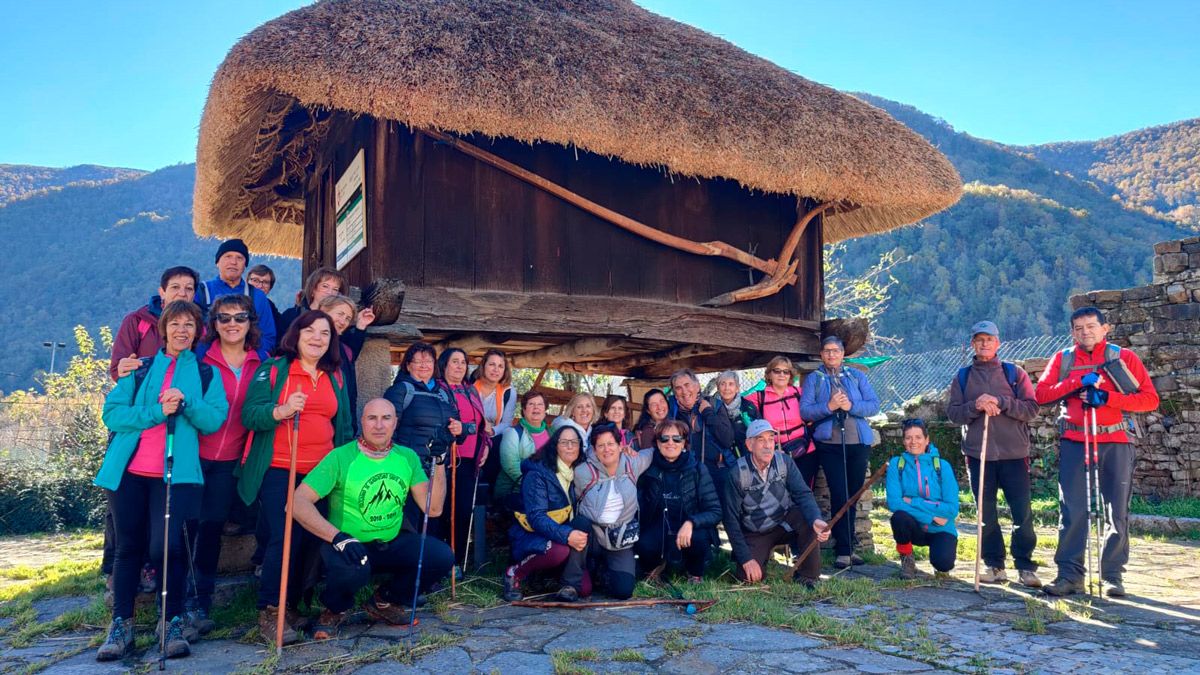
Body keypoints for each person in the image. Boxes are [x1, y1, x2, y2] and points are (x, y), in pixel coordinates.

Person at [94, 300, 228, 661]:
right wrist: (157, 411)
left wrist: (185, 405)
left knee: (166, 549)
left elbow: (214, 419)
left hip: (176, 474)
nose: (182, 330)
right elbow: (113, 414)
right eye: (175, 324)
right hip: (129, 474)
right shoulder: (140, 370)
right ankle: (120, 626)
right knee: (128, 549)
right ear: (163, 329)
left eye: (189, 325)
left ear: (198, 332)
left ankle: (170, 621)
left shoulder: (205, 375)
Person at [237, 310, 354, 645]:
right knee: (283, 538)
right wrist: (282, 410)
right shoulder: (273, 370)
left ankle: (291, 607)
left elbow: (343, 427)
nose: (318, 338)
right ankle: (269, 611)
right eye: (311, 332)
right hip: (280, 468)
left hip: (320, 473)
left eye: (325, 334)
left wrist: (343, 468)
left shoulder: (335, 376)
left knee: (308, 542)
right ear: (297, 335)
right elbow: (250, 415)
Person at [292, 399, 452, 639]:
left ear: (396, 423)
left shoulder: (406, 457)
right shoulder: (341, 457)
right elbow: (297, 502)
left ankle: (384, 601)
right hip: (347, 544)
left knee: (441, 556)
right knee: (353, 569)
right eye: (372, 418)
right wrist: (337, 537)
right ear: (362, 422)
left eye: (386, 418)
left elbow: (434, 508)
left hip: (389, 541)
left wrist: (439, 461)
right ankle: (335, 609)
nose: (379, 425)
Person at [1035, 307, 1160, 598]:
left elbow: (1149, 399)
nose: (1085, 332)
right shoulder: (1063, 359)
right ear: (1072, 332)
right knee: (1072, 510)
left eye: (1091, 326)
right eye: (1078, 328)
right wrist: (1077, 382)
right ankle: (1069, 576)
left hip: (1115, 441)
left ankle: (1112, 576)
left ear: (1105, 328)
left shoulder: (1123, 358)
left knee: (1116, 511)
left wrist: (1106, 397)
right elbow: (1041, 395)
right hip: (1075, 441)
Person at [187, 295, 263, 636]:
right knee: (186, 528)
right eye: (224, 318)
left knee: (211, 528)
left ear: (250, 323)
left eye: (240, 317)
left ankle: (201, 602)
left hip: (231, 459)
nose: (232, 324)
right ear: (213, 324)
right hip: (194, 455)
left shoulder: (262, 366)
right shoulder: (200, 361)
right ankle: (178, 601)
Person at [946, 320, 1042, 588]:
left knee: (1021, 511)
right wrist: (975, 406)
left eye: (989, 339)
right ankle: (994, 565)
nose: (984, 344)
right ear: (972, 344)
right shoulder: (963, 377)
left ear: (998, 343)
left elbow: (1031, 409)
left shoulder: (1015, 374)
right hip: (979, 454)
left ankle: (1025, 566)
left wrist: (1001, 402)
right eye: (979, 339)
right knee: (985, 513)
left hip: (1014, 453)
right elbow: (953, 414)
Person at [800, 338, 881, 569]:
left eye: (836, 351)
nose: (831, 355)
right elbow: (805, 410)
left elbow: (874, 405)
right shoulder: (815, 380)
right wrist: (829, 406)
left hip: (858, 441)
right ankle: (843, 550)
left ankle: (849, 545)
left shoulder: (857, 377)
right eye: (827, 351)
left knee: (854, 494)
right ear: (821, 355)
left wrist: (850, 406)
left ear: (843, 353)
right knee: (839, 492)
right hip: (830, 444)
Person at [723, 420, 828, 587]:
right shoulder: (737, 474)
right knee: (748, 578)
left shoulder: (784, 462)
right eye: (761, 440)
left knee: (809, 521)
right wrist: (746, 559)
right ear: (749, 445)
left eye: (771, 439)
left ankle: (808, 576)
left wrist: (816, 519)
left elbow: (803, 494)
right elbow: (730, 520)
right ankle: (758, 559)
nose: (768, 445)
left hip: (784, 520)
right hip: (756, 530)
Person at [382, 343, 466, 538]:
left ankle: (430, 564)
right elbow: (387, 429)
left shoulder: (443, 393)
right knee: (409, 522)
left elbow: (457, 426)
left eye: (428, 361)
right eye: (417, 361)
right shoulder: (401, 390)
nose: (423, 365)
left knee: (432, 520)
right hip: (409, 468)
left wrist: (459, 430)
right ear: (408, 366)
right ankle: (407, 564)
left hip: (436, 467)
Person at [503, 425, 591, 602]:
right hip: (532, 534)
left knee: (585, 588)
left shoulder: (578, 472)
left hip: (560, 533)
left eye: (574, 442)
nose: (570, 446)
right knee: (559, 551)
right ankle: (514, 574)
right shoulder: (538, 474)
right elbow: (536, 517)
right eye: (564, 442)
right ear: (554, 445)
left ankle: (560, 580)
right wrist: (567, 535)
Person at [573, 425, 654, 600]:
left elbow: (652, 453)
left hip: (619, 537)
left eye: (611, 443)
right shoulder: (582, 472)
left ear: (620, 445)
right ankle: (579, 571)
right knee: (580, 523)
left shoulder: (632, 464)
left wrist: (672, 442)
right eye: (600, 445)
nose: (606, 449)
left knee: (623, 591)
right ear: (593, 449)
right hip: (591, 537)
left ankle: (602, 572)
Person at [635, 420, 722, 582]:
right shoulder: (647, 468)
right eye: (664, 439)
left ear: (684, 444)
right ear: (657, 444)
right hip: (658, 529)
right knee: (644, 542)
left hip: (688, 531)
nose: (670, 443)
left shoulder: (698, 469)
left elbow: (715, 511)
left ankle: (694, 573)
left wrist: (691, 522)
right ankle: (656, 567)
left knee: (700, 537)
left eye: (677, 439)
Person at [886, 418, 960, 579]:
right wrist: (931, 516)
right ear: (904, 441)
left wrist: (913, 502)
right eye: (908, 438)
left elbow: (952, 508)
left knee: (944, 564)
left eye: (918, 437)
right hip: (918, 525)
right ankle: (907, 560)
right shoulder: (896, 465)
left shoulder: (942, 466)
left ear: (927, 440)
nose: (913, 442)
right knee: (898, 517)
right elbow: (894, 503)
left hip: (941, 527)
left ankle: (939, 557)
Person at [438, 347, 489, 572]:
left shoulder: (471, 391)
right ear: (444, 365)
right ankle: (439, 561)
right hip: (446, 462)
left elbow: (482, 426)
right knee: (443, 512)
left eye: (463, 362)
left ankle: (456, 562)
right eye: (454, 361)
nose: (459, 366)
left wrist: (485, 445)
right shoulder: (437, 389)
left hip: (468, 462)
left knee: (462, 512)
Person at [110, 266, 200, 381]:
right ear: (162, 292)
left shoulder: (200, 325)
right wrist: (122, 369)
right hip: (145, 393)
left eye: (189, 288)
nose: (182, 293)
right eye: (175, 287)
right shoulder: (137, 321)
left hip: (187, 394)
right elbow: (117, 370)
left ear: (194, 295)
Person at [195, 238, 277, 354]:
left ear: (245, 266)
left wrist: (252, 360)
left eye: (239, 258)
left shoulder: (258, 296)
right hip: (208, 365)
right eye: (228, 256)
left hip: (248, 366)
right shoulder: (201, 292)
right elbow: (192, 332)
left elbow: (268, 337)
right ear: (217, 262)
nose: (233, 262)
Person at [667, 369, 735, 501]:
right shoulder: (672, 413)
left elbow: (727, 439)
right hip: (687, 474)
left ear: (697, 386)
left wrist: (708, 412)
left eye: (687, 385)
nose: (684, 392)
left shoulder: (714, 405)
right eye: (679, 388)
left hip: (718, 471)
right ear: (675, 393)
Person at [315, 294, 376, 431]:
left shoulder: (343, 347)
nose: (343, 321)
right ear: (324, 310)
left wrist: (361, 325)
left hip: (342, 419)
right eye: (340, 314)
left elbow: (352, 351)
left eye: (348, 318)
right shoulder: (310, 344)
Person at [748, 356, 814, 482]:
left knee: (805, 491)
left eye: (786, 371)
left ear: (790, 375)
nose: (781, 375)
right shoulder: (760, 397)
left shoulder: (799, 393)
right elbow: (737, 403)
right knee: (782, 494)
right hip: (777, 453)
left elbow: (815, 409)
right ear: (769, 374)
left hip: (805, 451)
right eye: (777, 371)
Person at [496, 391, 551, 506]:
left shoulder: (552, 434)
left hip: (544, 491)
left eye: (540, 404)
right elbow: (510, 466)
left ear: (545, 410)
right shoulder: (512, 433)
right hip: (514, 492)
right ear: (524, 410)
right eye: (531, 404)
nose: (536, 407)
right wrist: (537, 487)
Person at [277, 266, 349, 338]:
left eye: (335, 289)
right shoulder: (293, 314)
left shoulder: (339, 321)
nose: (330, 292)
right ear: (313, 289)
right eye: (325, 286)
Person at [712, 371, 757, 458]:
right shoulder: (712, 408)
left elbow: (757, 432)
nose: (726, 388)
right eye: (723, 384)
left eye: (731, 384)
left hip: (747, 455)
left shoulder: (747, 407)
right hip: (721, 456)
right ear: (718, 387)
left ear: (737, 388)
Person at [247, 264, 283, 334]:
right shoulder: (237, 302)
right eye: (255, 280)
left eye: (265, 282)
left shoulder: (270, 306)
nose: (260, 286)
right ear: (247, 282)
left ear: (270, 287)